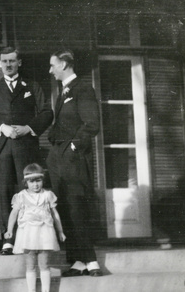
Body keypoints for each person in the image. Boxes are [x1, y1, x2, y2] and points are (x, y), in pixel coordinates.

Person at [0, 47, 53, 255]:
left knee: (27, 191)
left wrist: (29, 128)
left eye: (12, 61)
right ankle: (8, 239)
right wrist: (2, 128)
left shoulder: (31, 86)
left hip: (26, 148)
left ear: (19, 62)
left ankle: (28, 237)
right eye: (4, 61)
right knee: (3, 192)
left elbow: (47, 112)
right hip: (1, 148)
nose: (8, 65)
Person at [46, 50, 102, 277]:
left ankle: (91, 260)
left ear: (64, 64)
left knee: (78, 207)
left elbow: (91, 124)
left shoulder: (83, 88)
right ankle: (78, 260)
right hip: (59, 159)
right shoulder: (63, 92)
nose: (50, 70)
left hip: (74, 159)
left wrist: (72, 148)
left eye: (52, 65)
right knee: (66, 209)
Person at [4, 163, 66, 292]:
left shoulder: (48, 195)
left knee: (44, 265)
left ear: (43, 180)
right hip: (28, 234)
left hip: (45, 233)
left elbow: (55, 215)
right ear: (26, 182)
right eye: (32, 182)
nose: (35, 185)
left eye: (38, 181)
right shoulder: (21, 196)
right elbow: (13, 214)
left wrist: (60, 231)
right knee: (30, 265)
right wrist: (9, 230)